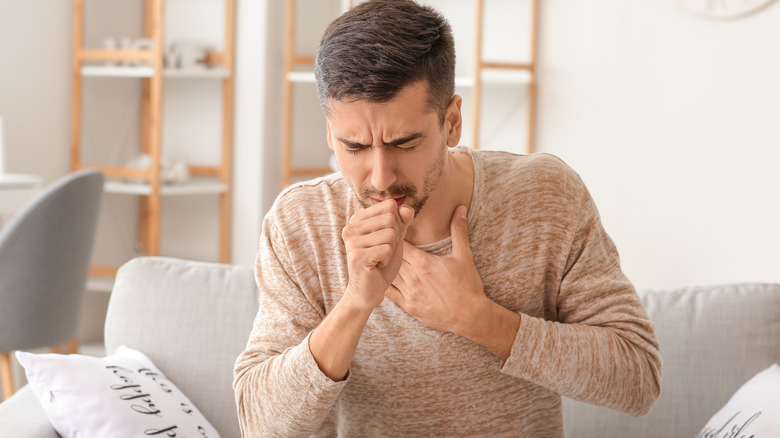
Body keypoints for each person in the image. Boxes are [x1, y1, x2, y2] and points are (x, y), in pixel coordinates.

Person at [233, 1, 662, 436]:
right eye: (355, 147)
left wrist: (476, 318)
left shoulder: (545, 195)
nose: (380, 177)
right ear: (329, 133)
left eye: (404, 143)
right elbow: (260, 425)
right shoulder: (300, 223)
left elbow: (638, 379)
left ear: (452, 121)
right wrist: (355, 303)